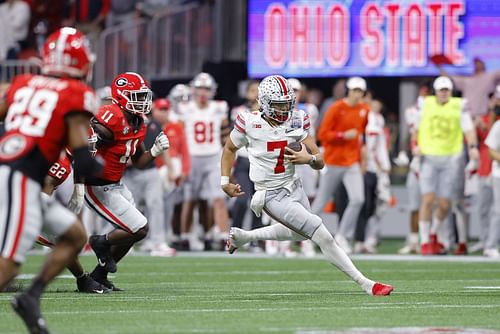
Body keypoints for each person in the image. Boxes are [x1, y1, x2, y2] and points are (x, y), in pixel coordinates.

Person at [222, 75, 393, 296]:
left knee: (301, 234)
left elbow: (319, 160)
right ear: (264, 102)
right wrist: (225, 181)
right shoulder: (249, 122)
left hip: (295, 186)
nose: (285, 109)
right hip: (270, 194)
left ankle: (244, 237)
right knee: (321, 233)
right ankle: (366, 284)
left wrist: (308, 159)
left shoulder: (296, 119)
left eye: (287, 103)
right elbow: (229, 149)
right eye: (279, 105)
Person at [0, 27, 102, 333]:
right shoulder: (77, 93)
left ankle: (30, 298)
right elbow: (83, 158)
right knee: (9, 264)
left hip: (18, 174)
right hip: (19, 177)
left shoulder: (22, 82)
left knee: (73, 236)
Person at [85, 71, 170, 291]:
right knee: (139, 229)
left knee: (131, 234)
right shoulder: (110, 115)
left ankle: (99, 276)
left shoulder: (139, 122)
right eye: (137, 96)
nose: (143, 101)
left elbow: (140, 161)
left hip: (116, 184)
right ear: (121, 96)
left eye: (144, 96)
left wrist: (155, 151)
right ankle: (100, 241)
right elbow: (87, 138)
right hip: (97, 185)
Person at [413, 76, 479, 255]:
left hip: (451, 159)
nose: (444, 93)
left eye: (446, 90)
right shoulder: (424, 104)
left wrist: (473, 147)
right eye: (441, 90)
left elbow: (469, 130)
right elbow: (415, 128)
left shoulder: (459, 105)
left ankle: (434, 232)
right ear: (435, 91)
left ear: (451, 91)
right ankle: (425, 241)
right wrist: (414, 146)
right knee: (427, 200)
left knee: (444, 204)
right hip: (428, 157)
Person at [311, 77, 369, 254]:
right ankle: (305, 236)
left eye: (360, 91)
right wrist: (343, 136)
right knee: (321, 200)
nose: (357, 94)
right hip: (333, 161)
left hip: (351, 162)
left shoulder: (364, 109)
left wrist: (361, 159)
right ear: (348, 91)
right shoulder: (336, 108)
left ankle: (342, 235)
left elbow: (361, 136)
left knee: (358, 198)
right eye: (354, 90)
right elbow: (323, 134)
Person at [178, 72, 229, 250]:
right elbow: (180, 135)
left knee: (218, 198)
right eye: (199, 87)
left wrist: (228, 158)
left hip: (213, 155)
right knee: (190, 199)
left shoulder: (219, 107)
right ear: (193, 89)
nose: (202, 92)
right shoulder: (185, 108)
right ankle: (184, 236)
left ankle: (223, 236)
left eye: (206, 88)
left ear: (212, 90)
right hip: (192, 157)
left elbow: (225, 135)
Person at [123, 102, 176, 257]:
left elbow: (164, 147)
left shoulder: (153, 124)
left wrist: (171, 168)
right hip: (129, 173)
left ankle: (158, 242)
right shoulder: (124, 122)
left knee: (156, 205)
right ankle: (124, 243)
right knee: (127, 209)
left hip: (151, 171)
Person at [152, 98, 191, 249]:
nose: (163, 113)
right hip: (151, 169)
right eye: (160, 109)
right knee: (152, 205)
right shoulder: (150, 126)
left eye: (165, 110)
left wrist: (185, 170)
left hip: (171, 172)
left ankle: (164, 235)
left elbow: (184, 150)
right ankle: (151, 237)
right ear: (154, 110)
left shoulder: (176, 127)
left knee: (168, 206)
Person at [483, 93, 500, 258]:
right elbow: (491, 151)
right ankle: (491, 245)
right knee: (498, 210)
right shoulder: (498, 126)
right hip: (499, 175)